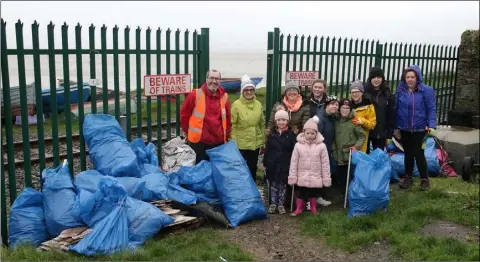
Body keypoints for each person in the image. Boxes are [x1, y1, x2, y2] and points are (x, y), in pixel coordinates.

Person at [394, 65, 436, 191]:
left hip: (420, 128)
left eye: (412, 77)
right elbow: (396, 108)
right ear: (404, 78)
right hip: (404, 128)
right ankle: (408, 178)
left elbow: (431, 108)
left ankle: (424, 180)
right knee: (408, 154)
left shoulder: (426, 90)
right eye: (408, 77)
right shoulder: (401, 90)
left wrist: (432, 125)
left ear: (417, 77)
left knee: (419, 154)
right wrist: (396, 127)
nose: (410, 79)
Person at [180, 69, 231, 164]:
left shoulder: (225, 97)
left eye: (217, 78)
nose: (214, 81)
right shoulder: (195, 95)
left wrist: (226, 136)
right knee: (200, 171)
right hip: (199, 142)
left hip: (218, 142)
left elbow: (228, 119)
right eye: (211, 78)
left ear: (220, 81)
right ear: (206, 79)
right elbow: (184, 116)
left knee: (216, 171)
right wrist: (188, 132)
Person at [288, 117, 331, 216]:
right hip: (302, 174)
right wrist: (293, 176)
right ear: (304, 133)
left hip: (315, 175)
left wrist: (326, 177)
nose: (310, 136)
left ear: (316, 133)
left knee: (313, 193)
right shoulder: (298, 145)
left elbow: (325, 163)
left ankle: (313, 208)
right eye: (307, 133)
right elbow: (294, 161)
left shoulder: (322, 146)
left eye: (312, 133)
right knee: (301, 193)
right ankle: (299, 208)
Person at [231, 75, 265, 182]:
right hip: (240, 144)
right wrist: (234, 143)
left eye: (251, 90)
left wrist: (262, 140)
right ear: (242, 91)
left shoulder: (258, 104)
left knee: (252, 169)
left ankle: (252, 193)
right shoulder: (236, 105)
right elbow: (232, 125)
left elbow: (261, 123)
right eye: (246, 90)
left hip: (254, 143)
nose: (249, 92)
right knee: (240, 170)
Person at [263, 109, 296, 214]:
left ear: (287, 121)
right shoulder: (272, 135)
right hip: (273, 163)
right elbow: (267, 150)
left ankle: (281, 204)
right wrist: (265, 162)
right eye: (279, 120)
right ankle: (273, 204)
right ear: (275, 122)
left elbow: (293, 150)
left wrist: (292, 163)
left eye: (284, 120)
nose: (281, 122)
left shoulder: (291, 135)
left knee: (283, 184)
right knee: (273, 184)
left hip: (285, 163)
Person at [332, 99, 366, 194]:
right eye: (343, 107)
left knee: (351, 176)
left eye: (347, 108)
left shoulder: (354, 121)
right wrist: (333, 149)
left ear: (350, 109)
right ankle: (342, 194)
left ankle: (351, 194)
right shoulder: (336, 121)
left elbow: (362, 136)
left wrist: (356, 147)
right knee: (341, 176)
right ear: (339, 109)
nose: (345, 110)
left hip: (350, 153)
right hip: (338, 153)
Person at [312, 95, 339, 207]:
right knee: (318, 174)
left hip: (327, 149)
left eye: (336, 105)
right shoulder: (319, 118)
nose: (335, 106)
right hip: (319, 151)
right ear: (327, 105)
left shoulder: (331, 117)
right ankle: (317, 197)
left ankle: (321, 195)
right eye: (332, 104)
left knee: (326, 173)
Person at [364, 67, 395, 153]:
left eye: (379, 77)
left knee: (378, 158)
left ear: (382, 79)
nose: (376, 80)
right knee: (365, 158)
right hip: (366, 131)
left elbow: (391, 115)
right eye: (374, 77)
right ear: (370, 79)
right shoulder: (364, 93)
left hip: (380, 133)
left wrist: (389, 134)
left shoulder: (387, 94)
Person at [349, 80, 377, 153]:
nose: (355, 94)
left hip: (363, 142)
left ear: (362, 93)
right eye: (352, 92)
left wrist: (363, 121)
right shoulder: (348, 106)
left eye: (357, 92)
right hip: (348, 140)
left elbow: (372, 124)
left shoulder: (368, 107)